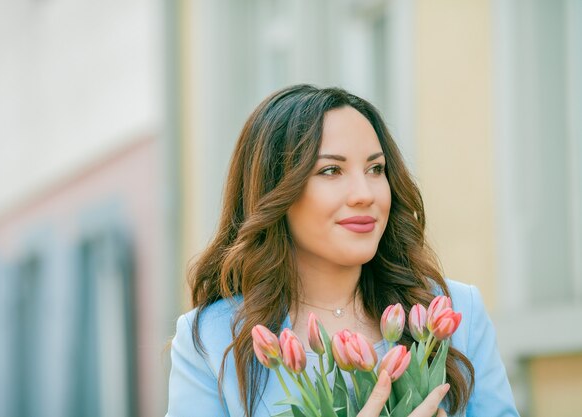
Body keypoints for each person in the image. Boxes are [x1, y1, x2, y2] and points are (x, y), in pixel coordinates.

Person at [165, 85, 519, 417]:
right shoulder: (212, 341)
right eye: (331, 170)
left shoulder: (453, 314)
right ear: (275, 192)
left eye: (375, 169)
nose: (364, 193)